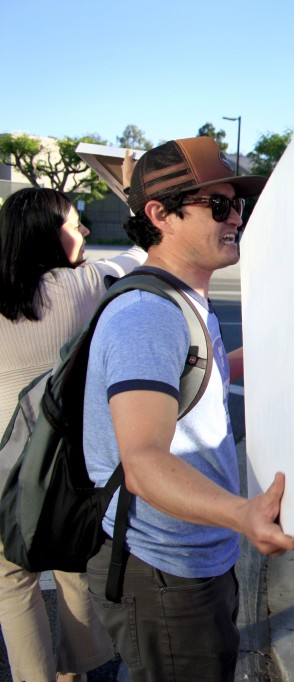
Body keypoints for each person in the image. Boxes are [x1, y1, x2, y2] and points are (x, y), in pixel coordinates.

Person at [82, 137, 294, 682]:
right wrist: (242, 515)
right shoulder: (147, 314)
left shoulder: (180, 300)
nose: (235, 218)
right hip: (165, 572)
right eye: (218, 206)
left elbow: (199, 374)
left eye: (237, 205)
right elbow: (144, 462)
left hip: (192, 558)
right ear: (160, 215)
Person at [0, 187, 143, 682]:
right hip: (65, 465)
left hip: (3, 465)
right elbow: (139, 254)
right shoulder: (84, 285)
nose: (83, 230)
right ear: (45, 234)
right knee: (72, 564)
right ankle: (77, 671)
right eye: (72, 222)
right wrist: (131, 196)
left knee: (10, 582)